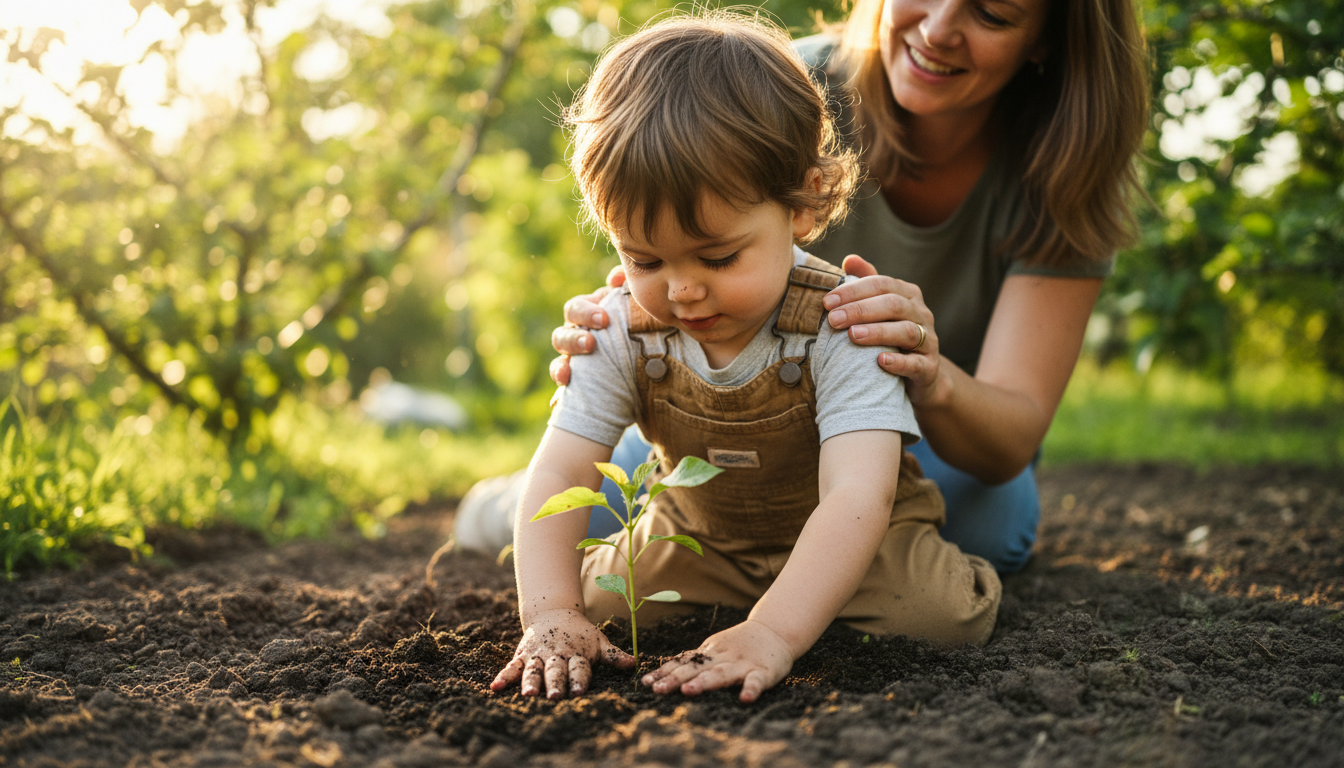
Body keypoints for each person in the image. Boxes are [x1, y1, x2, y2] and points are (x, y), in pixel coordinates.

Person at [488, 12, 1001, 704]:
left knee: (940, 617)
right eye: (644, 258)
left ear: (803, 204)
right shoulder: (619, 327)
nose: (682, 288)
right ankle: (495, 527)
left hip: (855, 539)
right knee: (599, 605)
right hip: (703, 534)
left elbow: (858, 494)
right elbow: (559, 467)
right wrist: (550, 614)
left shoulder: (843, 321)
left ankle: (806, 603)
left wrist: (774, 634)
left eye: (719, 256)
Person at [542, 0, 1150, 574]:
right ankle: (501, 507)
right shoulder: (775, 91)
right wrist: (617, 314)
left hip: (926, 439)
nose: (938, 29)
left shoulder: (1070, 169)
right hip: (723, 423)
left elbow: (1010, 440)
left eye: (990, 13)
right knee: (581, 509)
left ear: (1048, 38)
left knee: (989, 527)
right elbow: (658, 239)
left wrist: (929, 374)